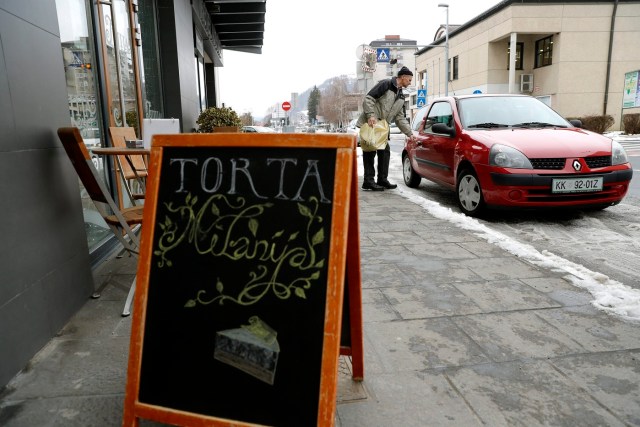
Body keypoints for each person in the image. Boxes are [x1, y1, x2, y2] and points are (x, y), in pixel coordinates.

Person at [357, 66, 416, 191]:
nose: (410, 82)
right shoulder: (386, 84)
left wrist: (409, 133)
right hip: (372, 123)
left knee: (385, 151)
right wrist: (371, 115)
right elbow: (369, 98)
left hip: (382, 128)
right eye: (409, 80)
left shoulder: (401, 96)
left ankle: (382, 180)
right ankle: (368, 181)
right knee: (370, 151)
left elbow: (400, 118)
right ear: (403, 77)